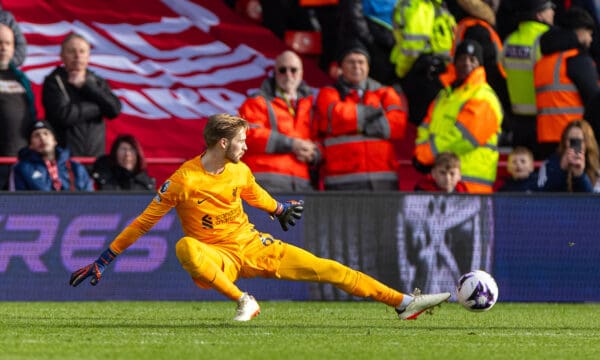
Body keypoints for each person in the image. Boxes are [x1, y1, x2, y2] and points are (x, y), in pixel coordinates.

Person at [68, 113, 451, 321]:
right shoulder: (183, 180)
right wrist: (105, 259)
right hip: (218, 258)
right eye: (241, 141)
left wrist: (278, 209)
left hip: (254, 245)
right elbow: (143, 222)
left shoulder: (239, 170)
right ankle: (244, 301)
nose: (246, 146)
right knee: (186, 247)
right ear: (223, 143)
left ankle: (402, 302)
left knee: (327, 268)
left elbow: (253, 193)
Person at [413, 39, 503, 193]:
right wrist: (421, 154)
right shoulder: (444, 96)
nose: (466, 63)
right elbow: (424, 128)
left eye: (472, 59)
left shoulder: (484, 96)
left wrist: (425, 156)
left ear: (479, 65)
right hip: (442, 183)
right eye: (461, 58)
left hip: (470, 186)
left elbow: (463, 137)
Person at [315, 45, 408, 190]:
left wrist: (354, 123)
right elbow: (336, 118)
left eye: (361, 62)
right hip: (341, 180)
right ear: (341, 67)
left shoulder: (385, 92)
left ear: (368, 67)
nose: (356, 66)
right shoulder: (327, 93)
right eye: (350, 62)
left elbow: (397, 125)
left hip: (383, 178)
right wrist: (374, 116)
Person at [238, 50, 320, 192]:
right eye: (283, 70)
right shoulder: (257, 101)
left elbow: (321, 139)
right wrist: (292, 144)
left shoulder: (311, 106)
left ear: (301, 74)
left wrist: (314, 154)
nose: (288, 74)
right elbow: (248, 135)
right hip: (264, 183)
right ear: (275, 73)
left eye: (293, 70)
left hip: (300, 185)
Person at [534, 6, 600, 159]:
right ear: (579, 31)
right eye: (589, 34)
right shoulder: (577, 60)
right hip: (574, 136)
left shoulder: (544, 60)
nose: (590, 40)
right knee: (575, 177)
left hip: (544, 137)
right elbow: (594, 99)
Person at [42, 33, 122, 158]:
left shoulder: (96, 81)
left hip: (95, 159)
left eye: (82, 51)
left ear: (88, 56)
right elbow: (64, 116)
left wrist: (86, 86)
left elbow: (115, 109)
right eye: (72, 51)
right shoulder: (54, 81)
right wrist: (99, 107)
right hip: (65, 160)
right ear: (62, 56)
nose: (77, 56)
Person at [452, 0, 511, 143]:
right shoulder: (479, 29)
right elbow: (490, 69)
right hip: (482, 97)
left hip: (463, 92)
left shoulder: (463, 24)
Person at [390, 0, 456, 125]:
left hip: (419, 72)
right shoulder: (439, 6)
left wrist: (400, 71)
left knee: (417, 123)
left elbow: (413, 47)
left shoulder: (416, 6)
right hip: (437, 71)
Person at [501, 0, 555, 152]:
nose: (553, 13)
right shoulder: (547, 40)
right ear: (539, 15)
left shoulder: (509, 41)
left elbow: (501, 73)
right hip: (541, 118)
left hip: (517, 119)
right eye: (549, 9)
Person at [9, 120, 94, 191]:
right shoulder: (22, 168)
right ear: (30, 145)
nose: (42, 138)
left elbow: (90, 200)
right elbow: (17, 201)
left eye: (46, 133)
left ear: (54, 141)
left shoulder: (76, 167)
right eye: (36, 135)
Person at [0, 24, 36, 190]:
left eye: (8, 43)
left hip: (20, 162)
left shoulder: (21, 79)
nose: (3, 48)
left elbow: (32, 114)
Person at [536, 119, 600, 192]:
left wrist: (580, 176)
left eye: (579, 141)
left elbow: (594, 201)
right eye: (571, 141)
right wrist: (561, 170)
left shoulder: (597, 167)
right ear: (564, 142)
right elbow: (541, 197)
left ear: (587, 143)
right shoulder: (549, 165)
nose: (575, 145)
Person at [91, 134, 156, 191]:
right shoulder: (104, 177)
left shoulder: (146, 184)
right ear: (115, 153)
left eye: (132, 149)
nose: (127, 154)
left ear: (138, 155)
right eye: (123, 149)